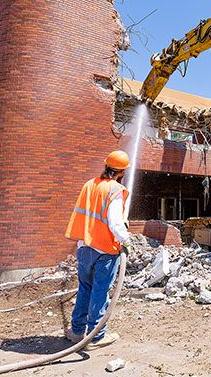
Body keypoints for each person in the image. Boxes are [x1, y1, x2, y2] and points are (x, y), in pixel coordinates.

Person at [64, 150, 132, 350]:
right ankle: (96, 336)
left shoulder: (89, 185)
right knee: (100, 292)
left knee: (85, 288)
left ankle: (77, 332)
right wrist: (126, 240)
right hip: (105, 250)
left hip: (85, 247)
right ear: (122, 171)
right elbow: (115, 223)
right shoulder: (115, 190)